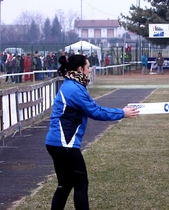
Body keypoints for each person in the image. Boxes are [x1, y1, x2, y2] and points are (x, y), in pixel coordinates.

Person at [45, 54, 140, 210]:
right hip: (64, 144)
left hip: (55, 143)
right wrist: (122, 113)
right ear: (80, 69)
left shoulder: (71, 85)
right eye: (88, 67)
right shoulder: (74, 89)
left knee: (65, 184)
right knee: (81, 183)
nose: (90, 70)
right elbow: (96, 111)